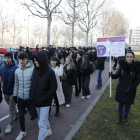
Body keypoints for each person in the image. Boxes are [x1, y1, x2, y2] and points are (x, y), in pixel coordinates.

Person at [29, 51, 57, 140]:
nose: (34, 62)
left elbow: (53, 88)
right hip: (36, 101)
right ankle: (48, 130)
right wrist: (31, 97)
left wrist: (45, 97)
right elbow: (32, 83)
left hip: (45, 102)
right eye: (34, 60)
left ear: (41, 61)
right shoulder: (35, 70)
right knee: (42, 119)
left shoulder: (50, 72)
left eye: (36, 60)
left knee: (41, 123)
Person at [109, 52, 140, 126]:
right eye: (127, 57)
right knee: (121, 103)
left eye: (130, 57)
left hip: (131, 89)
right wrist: (112, 75)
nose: (129, 58)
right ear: (125, 57)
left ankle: (125, 117)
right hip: (121, 88)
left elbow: (138, 78)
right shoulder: (122, 66)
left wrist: (133, 86)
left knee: (128, 104)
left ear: (133, 58)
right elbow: (117, 75)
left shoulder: (136, 67)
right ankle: (120, 117)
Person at [13, 52, 38, 140]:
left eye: (23, 59)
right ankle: (23, 131)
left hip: (30, 98)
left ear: (27, 59)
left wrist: (34, 96)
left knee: (35, 113)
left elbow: (35, 84)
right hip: (20, 97)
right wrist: (15, 95)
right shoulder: (17, 71)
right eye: (19, 59)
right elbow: (16, 84)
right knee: (20, 114)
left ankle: (44, 126)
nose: (21, 61)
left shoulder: (33, 70)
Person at [0, 52, 18, 134]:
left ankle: (10, 124)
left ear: (11, 58)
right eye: (5, 58)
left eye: (8, 58)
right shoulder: (2, 67)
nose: (7, 59)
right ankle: (16, 113)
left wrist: (16, 91)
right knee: (11, 106)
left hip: (13, 92)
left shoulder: (16, 68)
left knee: (11, 108)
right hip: (5, 91)